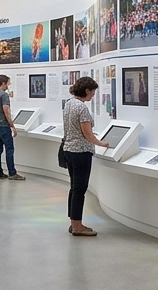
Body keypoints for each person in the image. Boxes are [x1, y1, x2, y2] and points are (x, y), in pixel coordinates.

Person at [63, 76, 111, 236]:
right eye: (92, 92)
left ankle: (73, 222)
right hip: (81, 153)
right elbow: (87, 134)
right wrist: (101, 143)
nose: (93, 95)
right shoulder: (82, 108)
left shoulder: (69, 104)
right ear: (86, 90)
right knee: (80, 189)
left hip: (69, 151)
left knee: (74, 187)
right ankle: (77, 226)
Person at [0, 75, 25, 180]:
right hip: (3, 126)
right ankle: (12, 173)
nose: (8, 85)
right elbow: (6, 111)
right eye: (8, 83)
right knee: (9, 149)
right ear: (4, 83)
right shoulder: (4, 95)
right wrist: (12, 125)